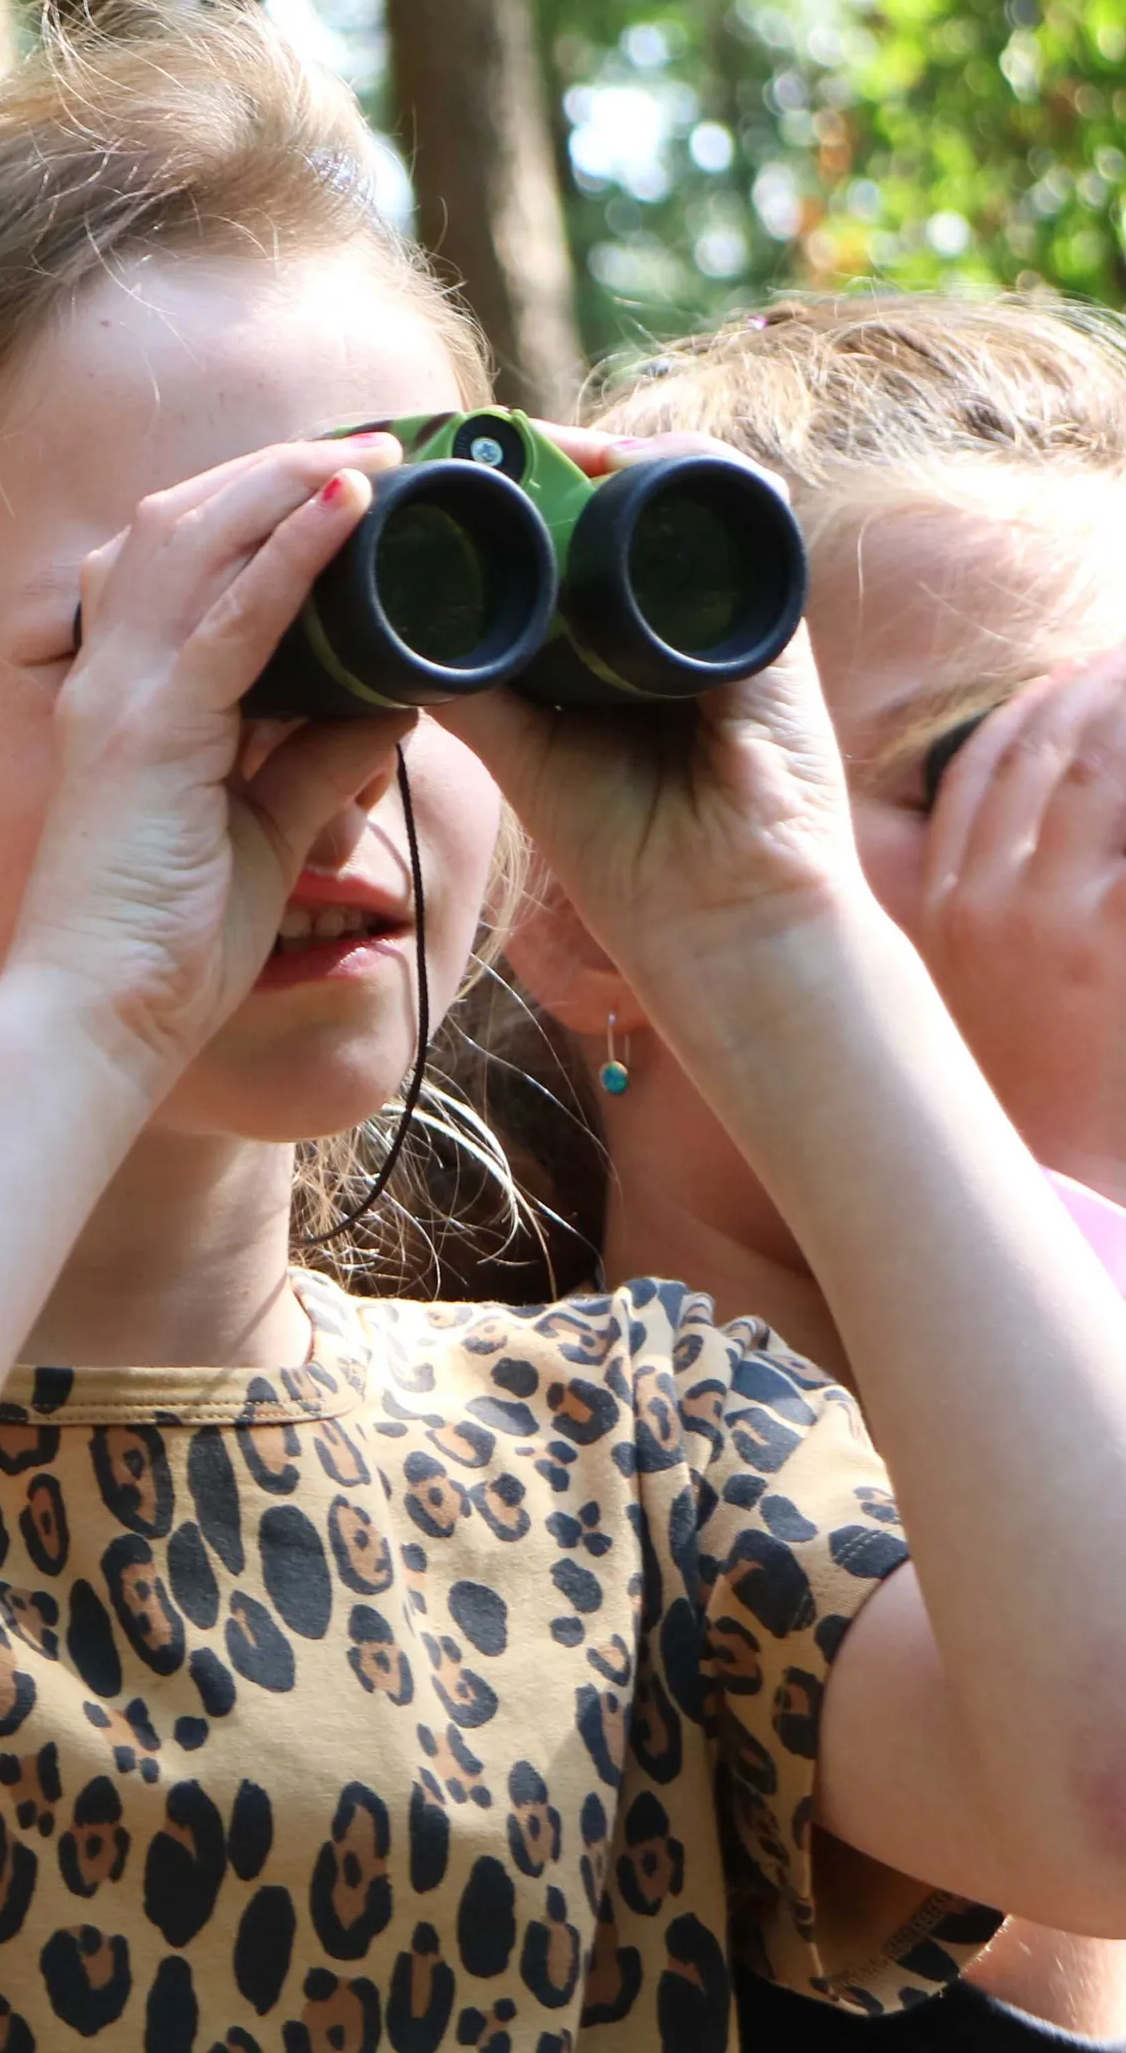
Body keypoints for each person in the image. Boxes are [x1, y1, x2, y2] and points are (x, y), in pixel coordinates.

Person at [0, 0, 1126, 2052]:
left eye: (418, 609)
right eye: (150, 630)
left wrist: (775, 929)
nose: (325, 755)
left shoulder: (643, 1440)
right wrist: (83, 1013)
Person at [491, 291, 1126, 2049]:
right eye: (991, 766)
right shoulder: (581, 1514)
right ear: (579, 903)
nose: (1093, 864)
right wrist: (1050, 1156)